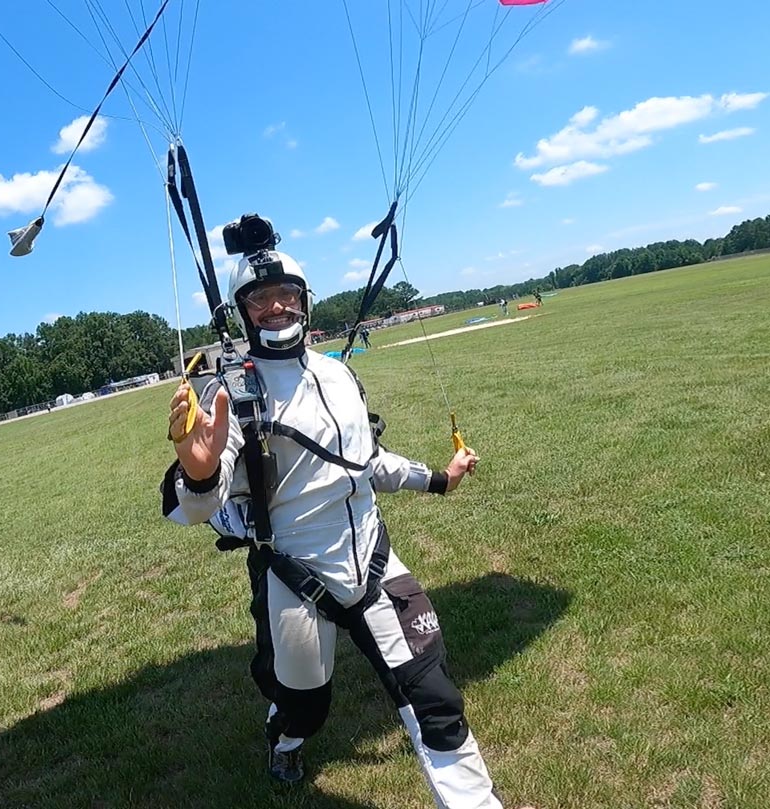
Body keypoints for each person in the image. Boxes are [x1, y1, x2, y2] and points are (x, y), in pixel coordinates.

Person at [161, 248, 515, 807]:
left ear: (304, 300)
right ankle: (286, 739)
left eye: (287, 295)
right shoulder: (232, 395)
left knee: (435, 697)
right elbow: (196, 507)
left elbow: (367, 461)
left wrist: (439, 479)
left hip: (375, 562)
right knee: (307, 704)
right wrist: (200, 472)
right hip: (297, 575)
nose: (276, 307)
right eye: (260, 299)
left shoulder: (339, 375)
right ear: (243, 311)